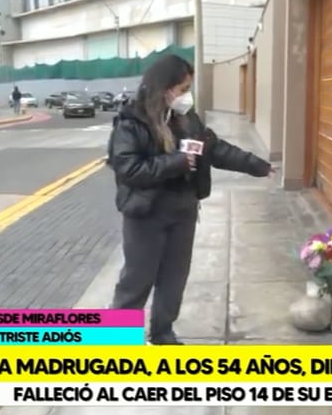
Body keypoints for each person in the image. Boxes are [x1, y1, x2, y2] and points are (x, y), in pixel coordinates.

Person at [106, 54, 273, 345]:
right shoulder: (131, 122)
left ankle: (162, 333)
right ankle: (118, 340)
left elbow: (215, 149)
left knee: (174, 278)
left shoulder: (187, 119)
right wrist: (177, 162)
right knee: (136, 280)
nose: (187, 96)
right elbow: (129, 168)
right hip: (146, 214)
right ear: (165, 88)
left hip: (182, 211)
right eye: (183, 89)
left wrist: (256, 165)